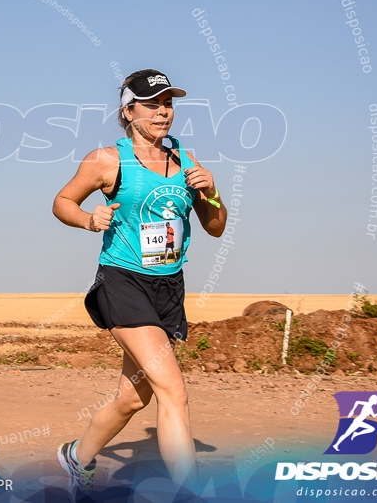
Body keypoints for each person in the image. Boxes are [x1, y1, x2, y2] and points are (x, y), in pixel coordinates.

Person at [52, 69, 226, 498]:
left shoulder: (189, 163)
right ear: (128, 112)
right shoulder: (107, 160)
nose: (163, 111)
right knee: (174, 390)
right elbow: (62, 202)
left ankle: (77, 457)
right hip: (123, 282)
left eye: (168, 103)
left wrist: (213, 191)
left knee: (133, 398)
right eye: (152, 104)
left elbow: (216, 227)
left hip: (168, 288)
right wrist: (90, 219)